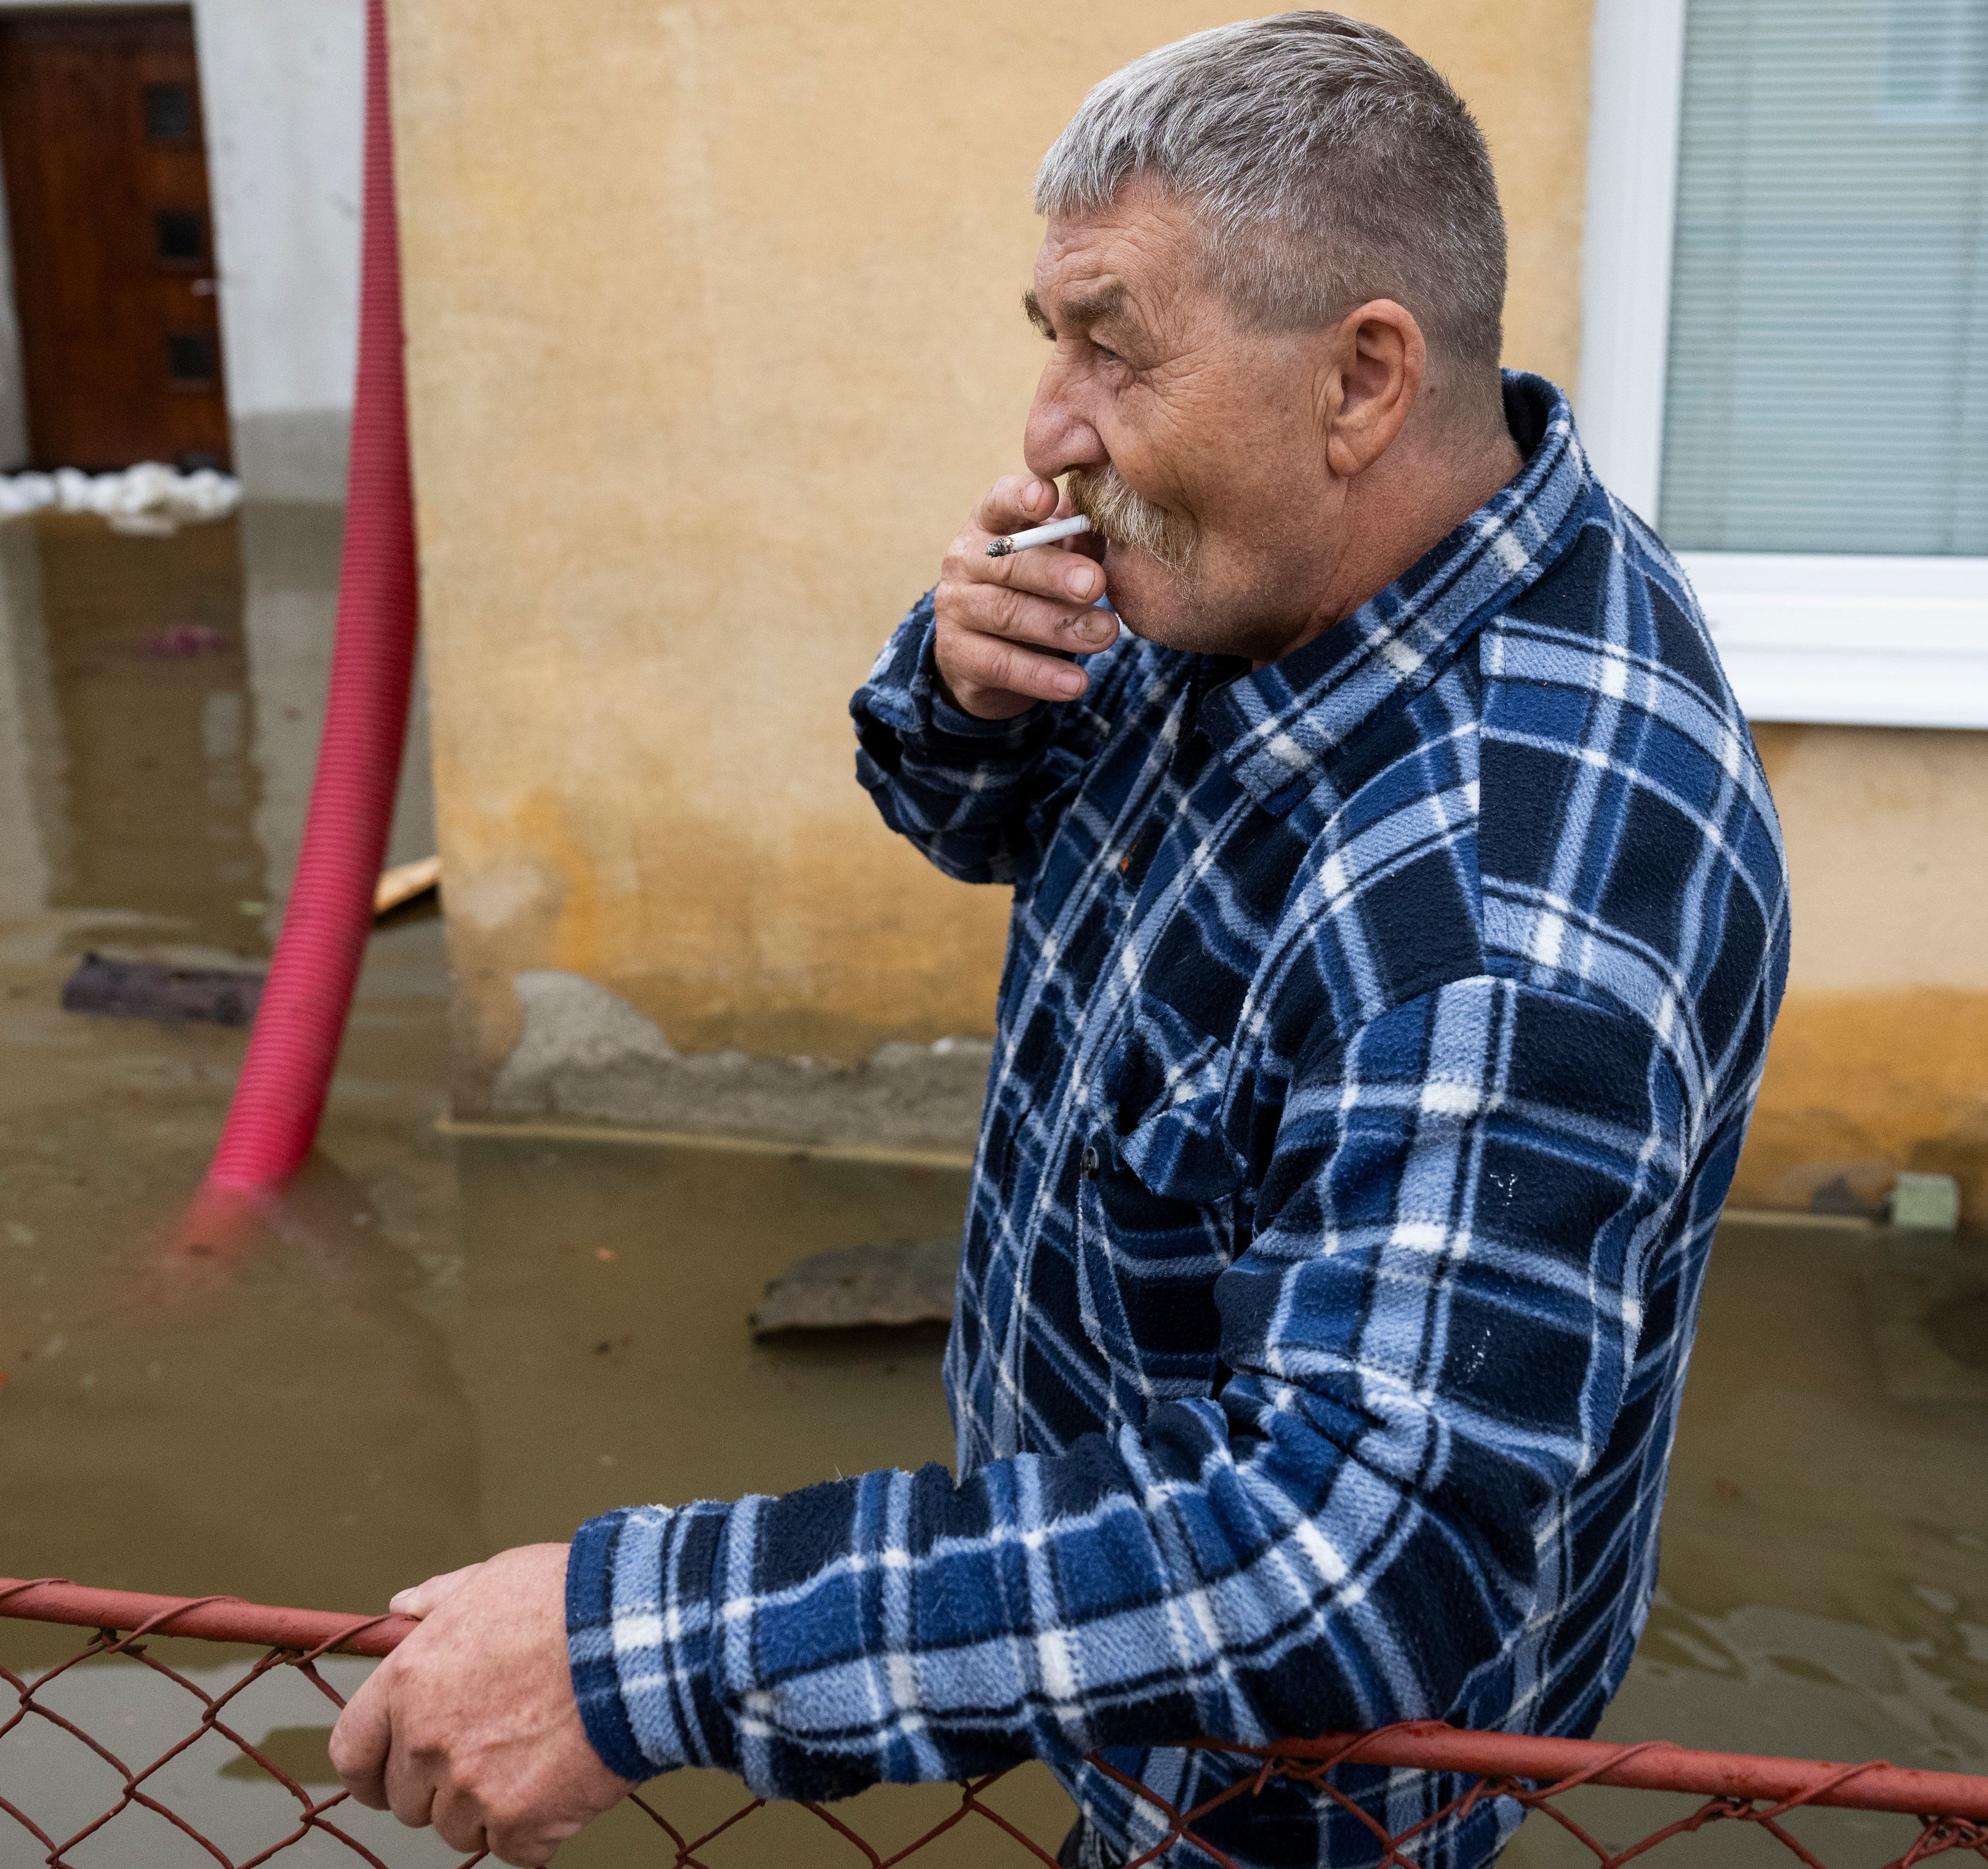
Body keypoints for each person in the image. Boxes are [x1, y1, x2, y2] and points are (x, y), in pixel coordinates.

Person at [328, 15, 1790, 1868]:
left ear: (1361, 381)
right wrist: (959, 693)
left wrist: (644, 1646)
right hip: (1087, 1646)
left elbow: (1356, 1551)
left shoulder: (1512, 900)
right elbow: (970, 822)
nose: (1047, 430)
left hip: (1287, 1800)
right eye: (1052, 342)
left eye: (1115, 345)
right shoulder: (1280, 556)